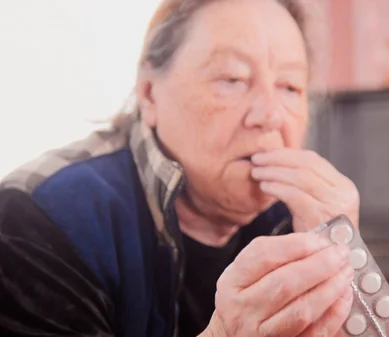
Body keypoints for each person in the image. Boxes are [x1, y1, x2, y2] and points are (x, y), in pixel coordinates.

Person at [0, 0, 361, 336]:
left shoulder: (302, 216)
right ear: (149, 93)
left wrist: (351, 270)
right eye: (232, 79)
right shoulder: (37, 216)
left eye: (290, 86)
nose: (270, 116)